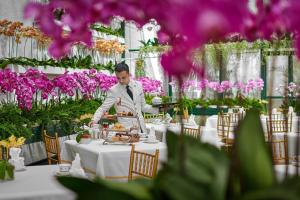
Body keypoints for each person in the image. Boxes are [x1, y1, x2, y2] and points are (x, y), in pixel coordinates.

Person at [90, 62, 159, 133]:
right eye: (118, 78)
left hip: (141, 128)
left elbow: (143, 107)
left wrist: (159, 109)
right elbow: (103, 108)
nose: (121, 81)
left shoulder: (138, 85)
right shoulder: (114, 90)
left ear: (129, 74)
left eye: (123, 77)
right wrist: (94, 120)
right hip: (126, 130)